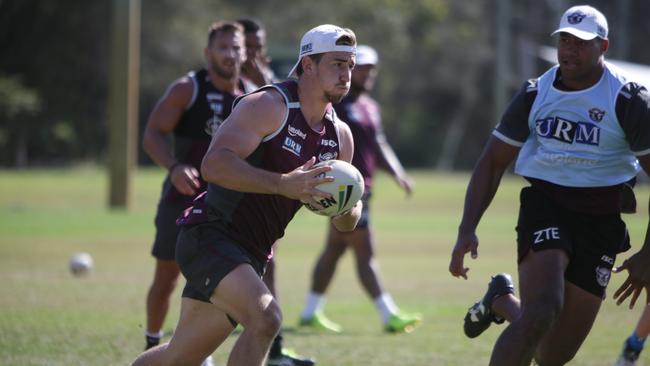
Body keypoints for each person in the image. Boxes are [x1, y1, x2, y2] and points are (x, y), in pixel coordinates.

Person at [132, 24, 361, 366]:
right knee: (266, 319)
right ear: (308, 66)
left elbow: (347, 221)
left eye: (350, 65)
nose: (346, 74)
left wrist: (342, 205)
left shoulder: (340, 136)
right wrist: (283, 184)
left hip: (252, 254)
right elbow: (214, 165)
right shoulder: (269, 105)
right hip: (210, 235)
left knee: (177, 359)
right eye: (336, 64)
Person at [448, 5, 650, 366]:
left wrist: (648, 254)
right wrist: (467, 228)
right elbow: (492, 163)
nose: (569, 50)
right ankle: (518, 308)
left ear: (604, 46)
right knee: (543, 311)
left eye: (581, 42)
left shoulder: (628, 100)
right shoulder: (535, 93)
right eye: (565, 41)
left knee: (553, 355)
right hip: (547, 206)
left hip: (602, 220)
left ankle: (501, 301)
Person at [141, 21, 254, 366]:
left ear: (245, 52)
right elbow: (153, 135)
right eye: (223, 48)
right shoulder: (188, 89)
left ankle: (196, 352)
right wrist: (174, 167)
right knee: (166, 280)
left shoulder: (253, 96)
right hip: (181, 201)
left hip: (225, 210)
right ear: (208, 53)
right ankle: (151, 343)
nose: (230, 54)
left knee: (216, 284)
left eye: (236, 48)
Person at [298, 44, 421, 334]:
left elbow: (379, 145)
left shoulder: (370, 107)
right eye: (362, 68)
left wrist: (398, 173)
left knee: (334, 250)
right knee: (365, 253)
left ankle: (309, 312)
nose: (367, 74)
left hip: (365, 187)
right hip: (346, 189)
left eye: (370, 69)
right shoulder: (334, 103)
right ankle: (388, 314)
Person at [236, 17, 315, 366]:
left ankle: (276, 351)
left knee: (269, 265)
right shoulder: (223, 83)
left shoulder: (271, 82)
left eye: (259, 46)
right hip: (230, 196)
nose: (254, 54)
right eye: (247, 47)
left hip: (267, 200)